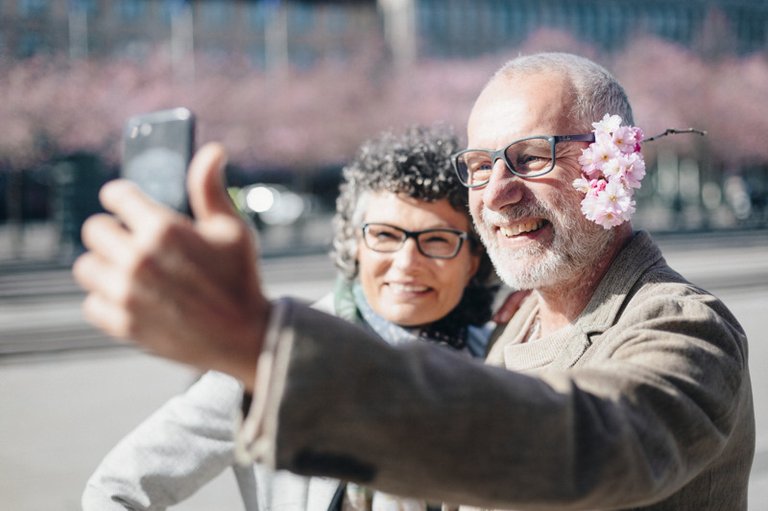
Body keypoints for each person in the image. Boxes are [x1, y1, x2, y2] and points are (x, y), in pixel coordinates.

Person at [74, 52, 754, 510]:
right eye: (481, 165)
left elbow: (589, 444)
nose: (499, 192)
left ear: (615, 161)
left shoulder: (684, 326)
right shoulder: (512, 325)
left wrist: (264, 344)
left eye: (530, 156)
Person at [80, 125, 500, 510]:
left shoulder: (498, 356)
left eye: (438, 240)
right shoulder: (272, 350)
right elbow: (116, 489)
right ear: (354, 244)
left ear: (473, 259)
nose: (407, 263)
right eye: (385, 236)